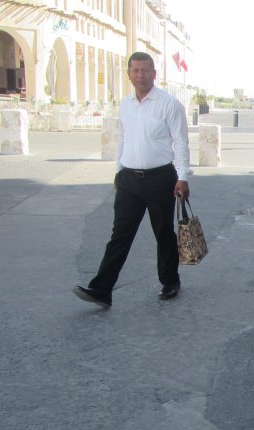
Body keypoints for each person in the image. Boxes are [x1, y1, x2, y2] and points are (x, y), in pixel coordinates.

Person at [74, 51, 192, 308]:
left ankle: (170, 281)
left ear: (154, 74)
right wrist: (118, 170)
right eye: (135, 70)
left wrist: (183, 177)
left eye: (145, 70)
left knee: (163, 232)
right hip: (128, 179)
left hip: (161, 178)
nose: (140, 75)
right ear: (128, 74)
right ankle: (102, 290)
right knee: (120, 235)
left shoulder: (169, 104)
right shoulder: (125, 104)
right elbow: (123, 139)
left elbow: (181, 142)